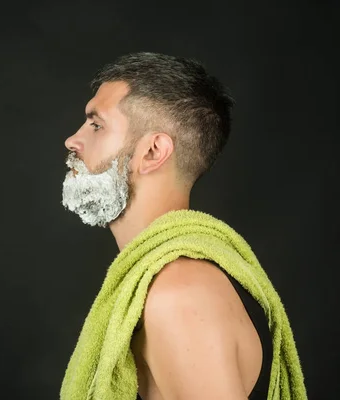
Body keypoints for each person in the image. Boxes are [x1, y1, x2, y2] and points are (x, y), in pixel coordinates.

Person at [60, 53, 306, 400]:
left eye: (96, 125)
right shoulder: (173, 281)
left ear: (153, 151)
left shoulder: (181, 293)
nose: (73, 140)